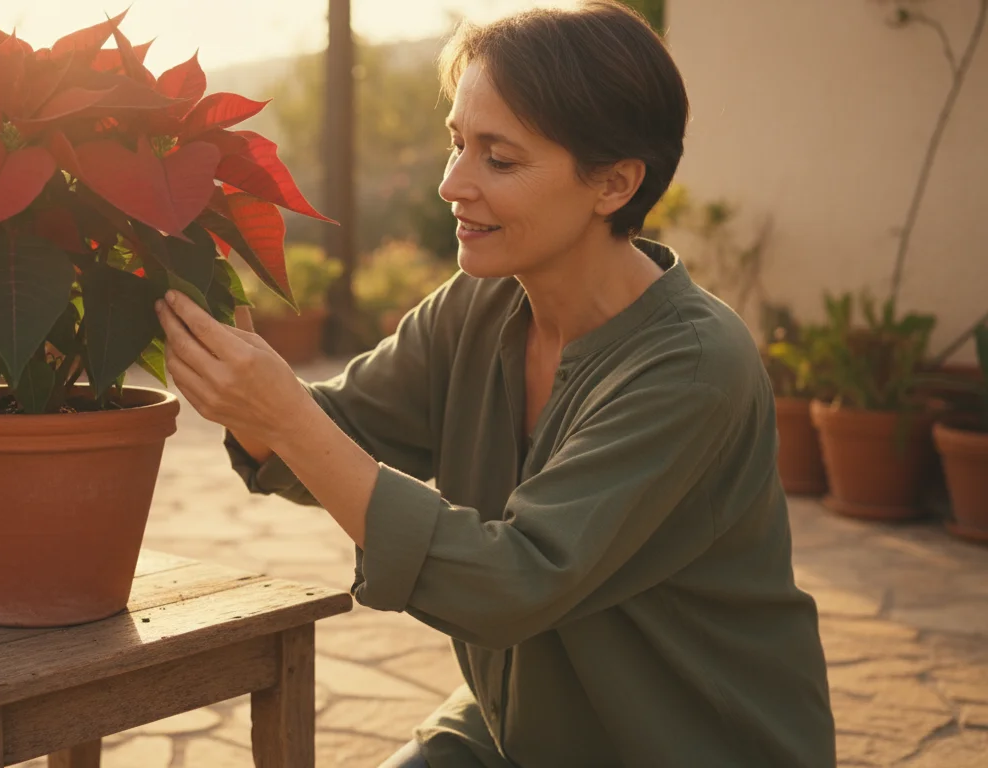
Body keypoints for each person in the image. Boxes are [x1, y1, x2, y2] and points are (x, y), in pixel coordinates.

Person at [153, 2, 836, 765]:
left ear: (613, 184)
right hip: (521, 725)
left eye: (497, 159)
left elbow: (512, 585)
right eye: (457, 144)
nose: (451, 185)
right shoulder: (481, 304)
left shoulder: (692, 366)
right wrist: (210, 328)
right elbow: (337, 433)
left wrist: (283, 415)